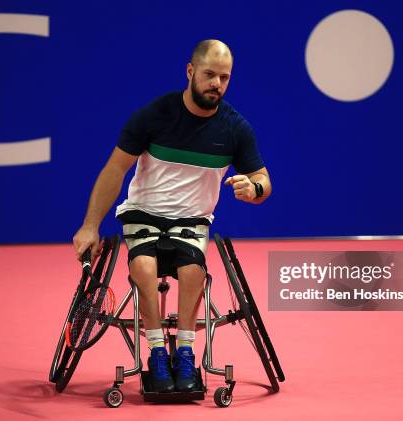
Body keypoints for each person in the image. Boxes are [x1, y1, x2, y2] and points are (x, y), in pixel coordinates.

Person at [72, 39, 271, 393]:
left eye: (224, 78)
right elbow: (114, 170)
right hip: (143, 214)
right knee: (144, 269)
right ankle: (156, 353)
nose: (217, 85)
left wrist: (254, 190)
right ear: (190, 71)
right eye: (210, 75)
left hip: (192, 222)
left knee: (194, 269)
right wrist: (90, 226)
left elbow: (263, 181)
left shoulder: (235, 128)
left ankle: (185, 351)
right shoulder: (153, 115)